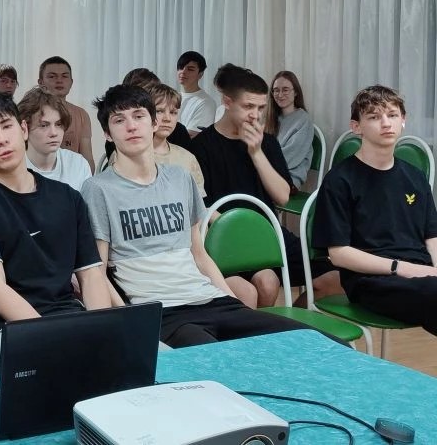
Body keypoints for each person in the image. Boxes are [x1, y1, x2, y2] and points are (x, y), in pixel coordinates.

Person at [81, 84, 313, 347]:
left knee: (309, 341)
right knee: (215, 360)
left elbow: (199, 253)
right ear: (107, 134)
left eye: (138, 116)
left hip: (210, 299)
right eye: (119, 120)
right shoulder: (98, 189)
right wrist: (130, 322)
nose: (131, 126)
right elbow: (97, 272)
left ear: (154, 123)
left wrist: (233, 302)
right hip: (161, 313)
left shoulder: (180, 178)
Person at [0, 91, 111, 374]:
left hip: (72, 318)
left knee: (155, 361)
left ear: (23, 129)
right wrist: (49, 337)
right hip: (12, 331)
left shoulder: (68, 197)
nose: (1, 139)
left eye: (7, 126)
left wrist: (102, 331)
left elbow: (91, 275)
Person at [189, 64, 339, 307]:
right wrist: (234, 228)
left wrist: (256, 153)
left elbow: (282, 197)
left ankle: (287, 323)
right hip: (223, 236)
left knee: (333, 276)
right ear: (227, 102)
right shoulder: (201, 147)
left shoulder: (267, 143)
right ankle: (261, 326)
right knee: (265, 283)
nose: (255, 115)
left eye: (260, 108)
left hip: (268, 231)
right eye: (248, 106)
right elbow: (200, 206)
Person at [313, 86, 437, 335]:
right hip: (370, 280)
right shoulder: (340, 180)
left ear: (403, 120)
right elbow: (339, 254)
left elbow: (431, 236)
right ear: (356, 126)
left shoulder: (415, 177)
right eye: (374, 116)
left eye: (392, 115)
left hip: (422, 275)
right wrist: (400, 267)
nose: (386, 123)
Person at [17, 87, 92, 191]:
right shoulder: (12, 167)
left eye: (58, 124)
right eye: (44, 125)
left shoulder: (78, 165)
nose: (54, 133)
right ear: (24, 129)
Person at [38, 56, 94, 170]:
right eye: (52, 76)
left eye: (64, 76)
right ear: (40, 82)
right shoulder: (30, 112)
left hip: (73, 176)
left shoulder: (81, 114)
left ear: (71, 82)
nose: (59, 80)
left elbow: (87, 159)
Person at [266, 70, 314, 189]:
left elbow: (289, 159)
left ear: (296, 92)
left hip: (288, 179)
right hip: (268, 173)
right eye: (276, 90)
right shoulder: (271, 119)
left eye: (285, 89)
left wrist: (260, 162)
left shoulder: (303, 120)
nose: (280, 94)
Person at [176, 51, 217, 136]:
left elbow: (191, 136)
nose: (183, 71)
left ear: (200, 74)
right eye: (181, 67)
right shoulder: (171, 97)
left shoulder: (206, 103)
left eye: (190, 69)